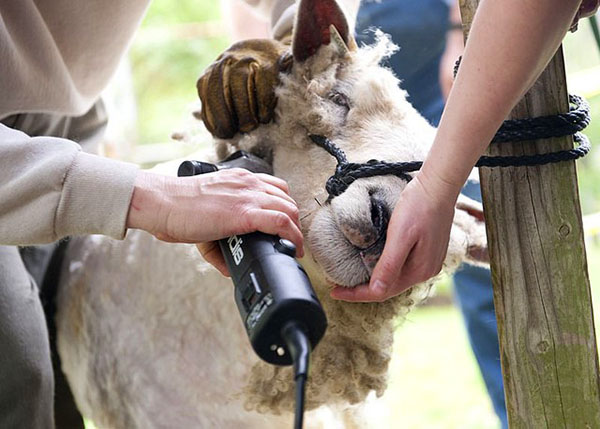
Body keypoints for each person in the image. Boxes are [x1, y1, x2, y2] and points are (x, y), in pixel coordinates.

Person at [0, 1, 363, 427]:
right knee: (18, 372)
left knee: (61, 348)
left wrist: (295, 44)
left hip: (66, 107)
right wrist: (152, 197)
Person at [353, 1, 507, 426]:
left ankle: (517, 412)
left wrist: (462, 33)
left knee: (484, 248)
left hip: (427, 57)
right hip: (345, 70)